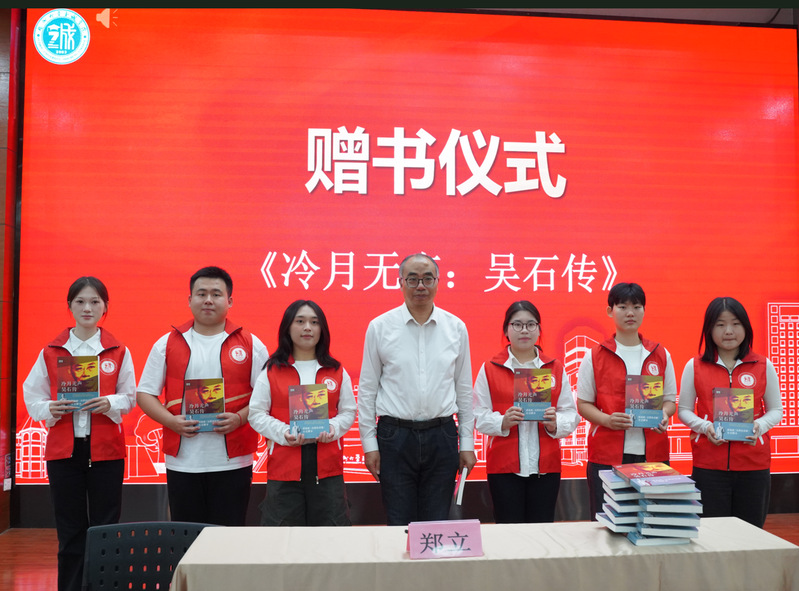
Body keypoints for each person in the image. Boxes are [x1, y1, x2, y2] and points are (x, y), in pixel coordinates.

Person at [23, 277, 136, 591]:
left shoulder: (118, 350)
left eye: (95, 302)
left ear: (105, 307)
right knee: (70, 530)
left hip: (106, 452)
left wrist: (109, 402)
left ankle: (104, 586)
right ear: (70, 306)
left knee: (106, 529)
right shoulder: (51, 351)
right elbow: (32, 396)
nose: (88, 308)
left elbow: (130, 396)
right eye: (80, 302)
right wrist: (51, 407)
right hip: (64, 452)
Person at [137, 266, 268, 526]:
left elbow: (266, 398)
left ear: (229, 301)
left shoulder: (251, 344)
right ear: (190, 300)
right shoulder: (166, 344)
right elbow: (145, 394)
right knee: (186, 535)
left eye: (216, 294)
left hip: (233, 460)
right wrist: (171, 422)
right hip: (183, 460)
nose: (208, 300)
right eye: (201, 294)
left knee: (228, 534)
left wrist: (239, 418)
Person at [358, 253, 476, 526]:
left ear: (437, 282)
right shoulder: (380, 327)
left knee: (437, 522)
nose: (420, 286)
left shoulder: (456, 328)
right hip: (394, 437)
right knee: (399, 521)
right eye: (412, 279)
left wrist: (467, 444)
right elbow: (367, 390)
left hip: (442, 435)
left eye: (427, 279)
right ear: (400, 282)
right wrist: (369, 445)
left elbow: (463, 390)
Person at [677, 297, 782, 527]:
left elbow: (776, 410)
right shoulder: (694, 366)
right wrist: (705, 427)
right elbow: (683, 410)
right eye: (720, 324)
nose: (728, 331)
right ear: (709, 329)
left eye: (735, 324)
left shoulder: (763, 365)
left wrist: (759, 426)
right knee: (712, 533)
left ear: (746, 327)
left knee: (751, 532)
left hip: (754, 464)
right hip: (708, 465)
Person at [576, 282, 677, 520]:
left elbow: (670, 401)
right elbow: (583, 404)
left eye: (636, 307)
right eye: (622, 307)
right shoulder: (595, 355)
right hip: (607, 454)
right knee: (607, 522)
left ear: (644, 310)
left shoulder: (660, 353)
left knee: (653, 521)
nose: (630, 313)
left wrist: (664, 414)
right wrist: (607, 420)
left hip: (653, 453)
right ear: (610, 311)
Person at [249, 300, 355, 526]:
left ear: (322, 329)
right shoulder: (272, 370)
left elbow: (348, 411)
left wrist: (333, 428)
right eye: (300, 321)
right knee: (283, 536)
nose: (308, 327)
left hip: (327, 468)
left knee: (330, 535)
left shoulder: (335, 370)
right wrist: (283, 432)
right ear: (287, 327)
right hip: (284, 468)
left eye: (314, 322)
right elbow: (256, 413)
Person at [472, 301, 579, 523]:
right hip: (503, 466)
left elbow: (570, 413)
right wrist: (502, 421)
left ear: (539, 330)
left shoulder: (554, 368)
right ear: (506, 330)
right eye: (517, 324)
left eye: (531, 325)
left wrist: (555, 423)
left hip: (546, 466)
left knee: (542, 529)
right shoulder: (490, 368)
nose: (524, 330)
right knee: (508, 529)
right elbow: (477, 414)